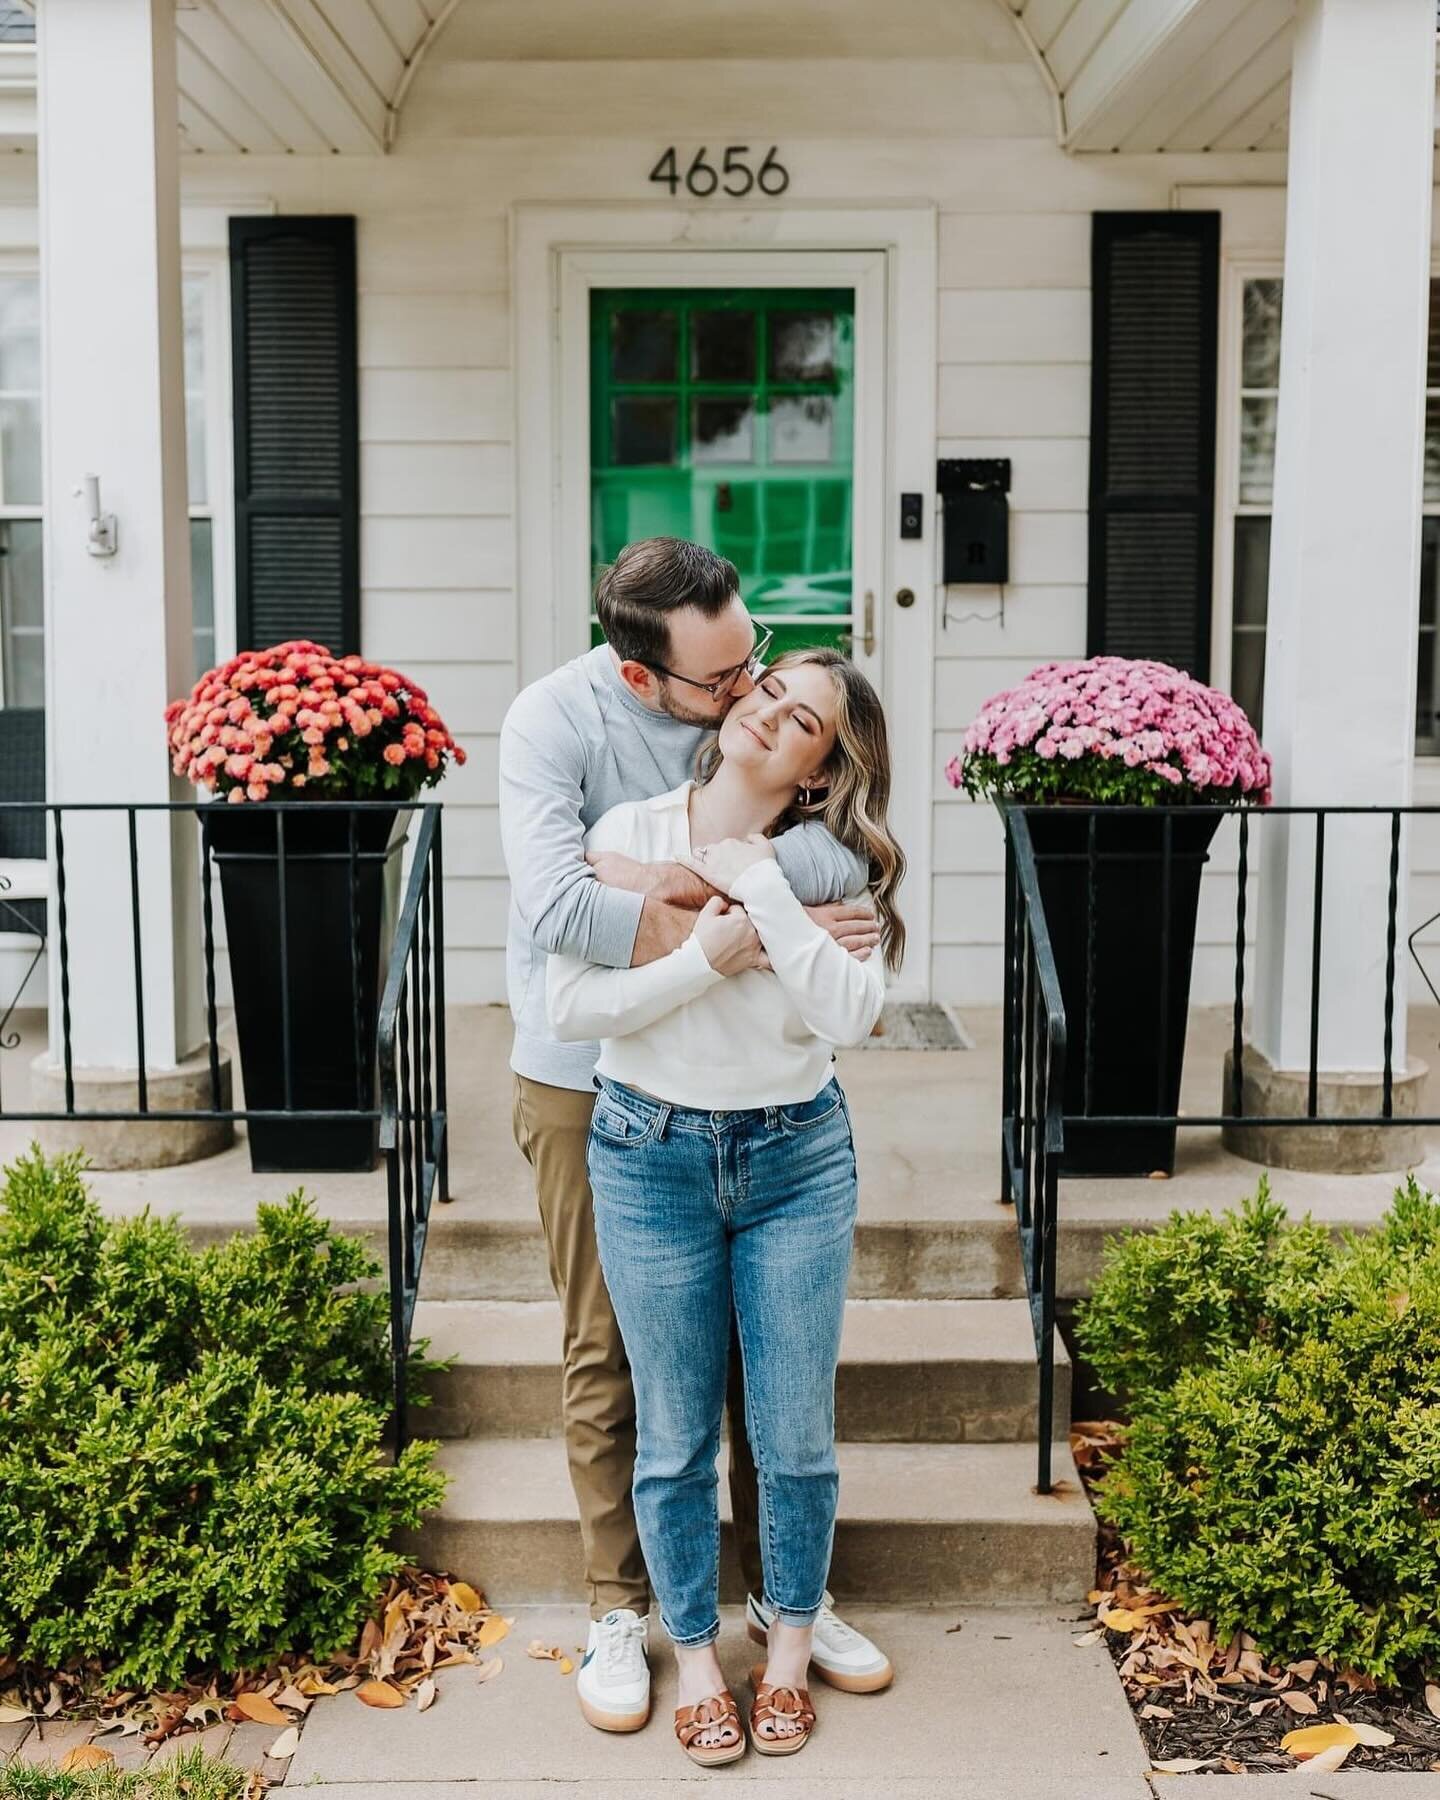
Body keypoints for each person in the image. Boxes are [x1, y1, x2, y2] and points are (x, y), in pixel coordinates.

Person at [497, 538, 894, 1737]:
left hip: (782, 1135)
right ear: (644, 684)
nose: (752, 694)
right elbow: (562, 912)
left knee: (778, 1404)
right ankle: (639, 1616)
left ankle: (787, 1607)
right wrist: (717, 917)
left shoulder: (807, 813)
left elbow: (850, 970)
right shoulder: (557, 731)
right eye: (730, 686)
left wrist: (781, 897)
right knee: (617, 1367)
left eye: (761, 665)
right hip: (604, 1097)